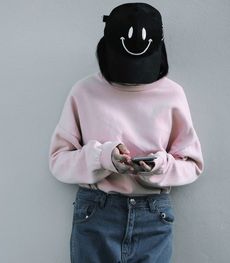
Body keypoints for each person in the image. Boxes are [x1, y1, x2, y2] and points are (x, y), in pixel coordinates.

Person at [48, 3, 204, 263]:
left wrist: (157, 167)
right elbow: (58, 161)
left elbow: (193, 164)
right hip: (97, 213)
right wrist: (103, 158)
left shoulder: (172, 95)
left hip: (153, 216)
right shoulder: (84, 92)